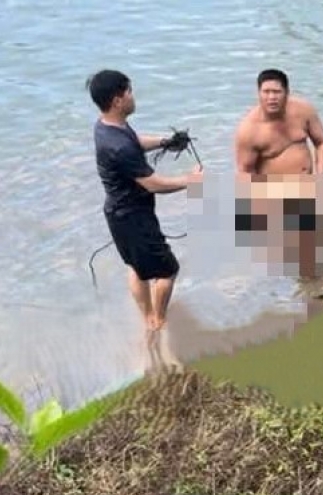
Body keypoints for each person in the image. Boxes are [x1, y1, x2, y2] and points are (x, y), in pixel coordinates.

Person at [87, 69, 203, 351]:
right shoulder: (118, 147)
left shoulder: (106, 126)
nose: (133, 95)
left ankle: (148, 317)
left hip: (119, 214)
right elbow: (153, 184)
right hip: (134, 218)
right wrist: (190, 181)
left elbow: (135, 140)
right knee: (168, 270)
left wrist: (165, 141)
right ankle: (156, 323)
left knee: (137, 268)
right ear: (117, 100)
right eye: (129, 91)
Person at [234, 69, 323, 293]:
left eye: (276, 92)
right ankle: (312, 295)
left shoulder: (303, 111)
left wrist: (320, 173)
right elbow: (244, 173)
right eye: (266, 92)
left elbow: (322, 143)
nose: (271, 97)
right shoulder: (249, 130)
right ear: (258, 93)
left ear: (287, 92)